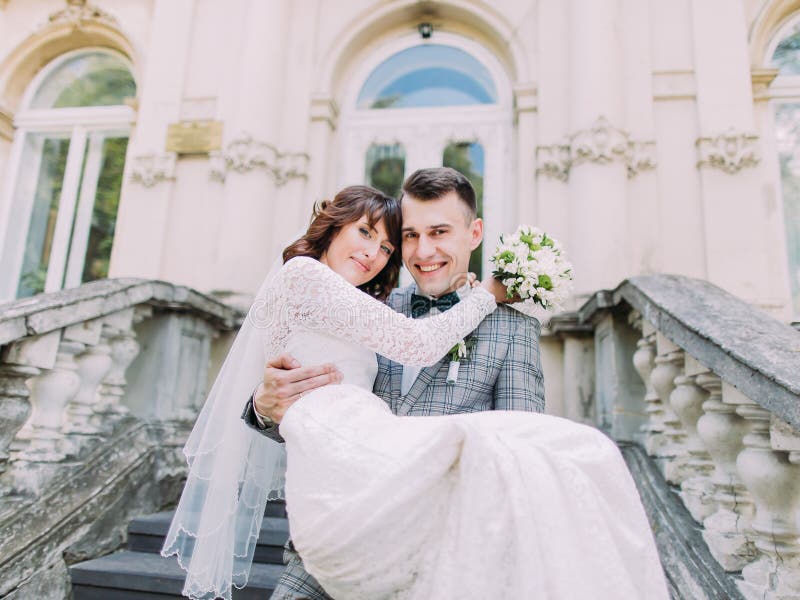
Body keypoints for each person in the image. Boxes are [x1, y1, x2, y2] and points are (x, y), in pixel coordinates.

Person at [245, 168, 547, 598]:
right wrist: (263, 406)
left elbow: (521, 455)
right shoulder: (366, 303)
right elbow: (312, 413)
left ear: (474, 232)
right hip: (330, 547)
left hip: (440, 565)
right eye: (408, 236)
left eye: (439, 231)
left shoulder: (512, 331)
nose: (424, 251)